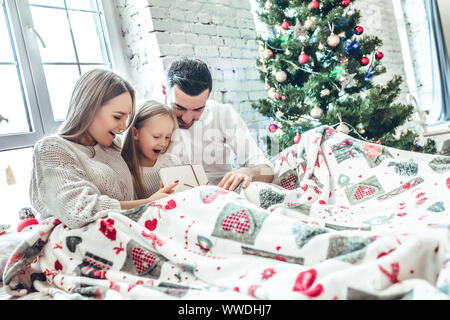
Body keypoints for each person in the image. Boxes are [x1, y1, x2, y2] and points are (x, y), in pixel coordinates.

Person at [29, 69, 178, 229]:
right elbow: (78, 210)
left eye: (126, 117)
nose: (123, 126)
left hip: (124, 231)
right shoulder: (53, 148)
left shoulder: (113, 147)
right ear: (89, 109)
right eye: (117, 117)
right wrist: (148, 203)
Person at [165, 58, 274, 191]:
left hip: (223, 195)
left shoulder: (221, 114)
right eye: (179, 108)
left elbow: (267, 170)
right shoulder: (147, 119)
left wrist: (249, 172)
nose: (187, 119)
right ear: (165, 91)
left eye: (198, 109)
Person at [121, 100, 182, 199]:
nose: (163, 143)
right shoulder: (123, 171)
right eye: (156, 136)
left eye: (167, 137)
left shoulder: (171, 162)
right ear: (135, 133)